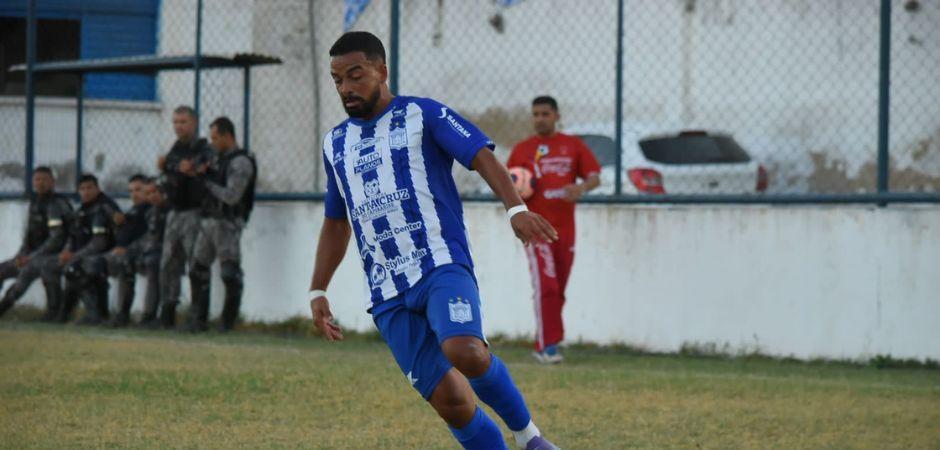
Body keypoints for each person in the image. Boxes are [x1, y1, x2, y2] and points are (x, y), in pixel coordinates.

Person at [308, 32, 561, 450]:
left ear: (381, 71)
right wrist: (318, 287)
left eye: (356, 76)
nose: (346, 88)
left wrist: (515, 209)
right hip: (387, 292)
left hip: (440, 264)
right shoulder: (335, 144)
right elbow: (337, 221)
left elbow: (479, 153)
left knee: (466, 351)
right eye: (337, 80)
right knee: (451, 401)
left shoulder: (422, 114)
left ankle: (530, 438)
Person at [507, 96, 600, 364]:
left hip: (565, 232)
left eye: (545, 113)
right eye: (535, 114)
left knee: (558, 289)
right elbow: (509, 181)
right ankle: (546, 346)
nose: (540, 119)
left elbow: (595, 176)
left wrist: (581, 188)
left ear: (557, 116)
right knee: (546, 286)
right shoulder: (523, 150)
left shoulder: (573, 146)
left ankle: (550, 341)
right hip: (537, 232)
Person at [187, 116, 257, 333]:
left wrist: (206, 183)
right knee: (197, 270)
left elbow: (232, 196)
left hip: (227, 223)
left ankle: (227, 323)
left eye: (216, 138)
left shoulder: (241, 161)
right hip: (208, 221)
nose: (213, 142)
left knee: (229, 273)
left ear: (228, 136)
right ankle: (198, 321)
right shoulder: (218, 159)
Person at [156, 105, 213, 329]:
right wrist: (176, 166)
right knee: (168, 263)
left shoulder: (203, 148)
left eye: (183, 122)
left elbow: (201, 167)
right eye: (175, 122)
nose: (178, 127)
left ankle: (198, 316)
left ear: (194, 123)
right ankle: (167, 312)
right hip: (174, 212)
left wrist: (186, 167)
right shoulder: (176, 148)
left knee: (195, 264)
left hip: (194, 212)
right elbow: (168, 164)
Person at [0, 167, 72, 320]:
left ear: (53, 182)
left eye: (45, 179)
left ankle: (52, 313)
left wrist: (30, 258)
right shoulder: (35, 203)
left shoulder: (57, 203)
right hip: (32, 256)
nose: (41, 183)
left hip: (55, 255)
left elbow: (56, 239)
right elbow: (29, 237)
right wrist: (20, 255)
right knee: (3, 269)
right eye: (37, 179)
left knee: (28, 270)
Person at [56, 174, 121, 325]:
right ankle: (64, 314)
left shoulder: (104, 207)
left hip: (109, 253)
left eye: (89, 188)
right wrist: (67, 252)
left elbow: (100, 242)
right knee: (70, 267)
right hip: (87, 255)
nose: (86, 192)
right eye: (82, 189)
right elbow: (73, 237)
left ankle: (95, 314)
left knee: (81, 267)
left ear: (98, 189)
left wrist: (75, 255)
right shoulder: (81, 211)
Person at [104, 174, 151, 327]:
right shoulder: (132, 211)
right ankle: (102, 312)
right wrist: (118, 225)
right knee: (93, 264)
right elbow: (122, 237)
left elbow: (150, 238)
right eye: (131, 191)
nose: (134, 194)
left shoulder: (150, 210)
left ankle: (124, 314)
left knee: (125, 262)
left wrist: (127, 250)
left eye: (138, 190)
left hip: (142, 254)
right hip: (127, 253)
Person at [137, 178, 168, 327]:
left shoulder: (173, 211)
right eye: (148, 193)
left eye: (155, 191)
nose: (152, 196)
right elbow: (149, 236)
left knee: (156, 264)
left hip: (171, 253)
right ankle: (148, 315)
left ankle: (165, 315)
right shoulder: (150, 212)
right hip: (155, 252)